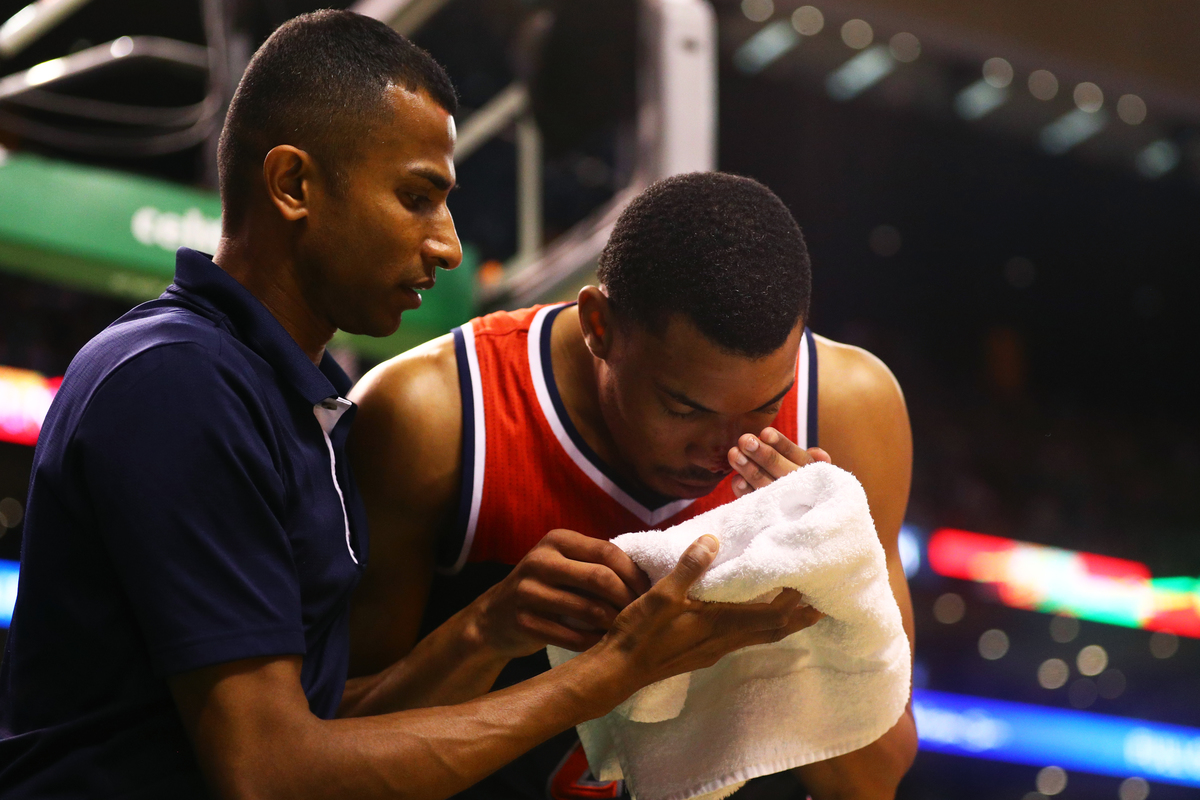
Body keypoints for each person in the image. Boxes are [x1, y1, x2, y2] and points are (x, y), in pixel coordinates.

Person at [0, 13, 821, 799]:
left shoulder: (269, 393)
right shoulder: (178, 381)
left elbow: (319, 738)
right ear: (293, 183)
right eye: (417, 197)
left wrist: (485, 630)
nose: (449, 242)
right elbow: (270, 776)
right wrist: (609, 676)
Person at [348, 172, 918, 800]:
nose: (723, 451)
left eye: (764, 408)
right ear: (599, 326)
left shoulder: (846, 409)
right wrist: (483, 632)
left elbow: (874, 779)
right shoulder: (437, 415)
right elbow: (329, 758)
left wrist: (820, 594)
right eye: (685, 409)